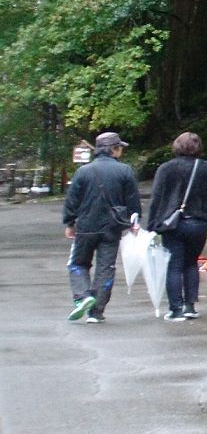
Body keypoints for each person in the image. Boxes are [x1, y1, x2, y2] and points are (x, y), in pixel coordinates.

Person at [62, 131, 142, 322]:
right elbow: (133, 201)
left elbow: (72, 200)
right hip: (112, 228)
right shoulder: (125, 171)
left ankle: (83, 296)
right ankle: (96, 312)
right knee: (106, 267)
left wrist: (69, 222)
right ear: (114, 149)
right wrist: (134, 223)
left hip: (86, 226)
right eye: (120, 147)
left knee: (78, 263)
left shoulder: (83, 172)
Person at [146, 132, 207, 321]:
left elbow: (157, 197)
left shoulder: (166, 169)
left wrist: (152, 224)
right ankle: (190, 306)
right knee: (191, 263)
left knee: (174, 266)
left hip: (173, 224)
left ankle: (176, 309)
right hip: (198, 223)